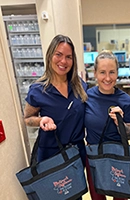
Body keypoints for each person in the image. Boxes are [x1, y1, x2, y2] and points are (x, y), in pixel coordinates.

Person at [24, 34, 87, 167]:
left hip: (76, 152)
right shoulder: (37, 90)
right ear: (50, 56)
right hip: (50, 154)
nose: (63, 61)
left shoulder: (79, 86)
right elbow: (27, 119)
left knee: (77, 187)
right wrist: (42, 120)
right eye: (58, 54)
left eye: (68, 57)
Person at [85, 50, 130, 200]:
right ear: (95, 73)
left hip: (119, 157)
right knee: (97, 197)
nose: (107, 78)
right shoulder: (86, 97)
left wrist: (119, 123)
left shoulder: (126, 101)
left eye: (112, 72)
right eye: (102, 72)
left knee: (120, 196)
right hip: (94, 156)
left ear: (117, 73)